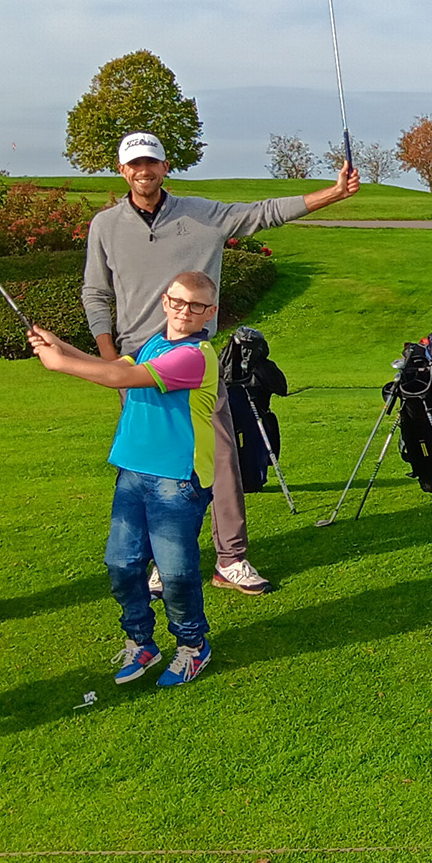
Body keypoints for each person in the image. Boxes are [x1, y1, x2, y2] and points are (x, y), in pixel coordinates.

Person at [81, 132, 358, 595]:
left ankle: (231, 559)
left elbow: (263, 213)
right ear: (122, 169)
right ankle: (157, 559)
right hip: (139, 361)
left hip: (192, 357)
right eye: (134, 164)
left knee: (223, 458)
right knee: (151, 466)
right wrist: (110, 359)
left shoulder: (202, 214)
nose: (143, 171)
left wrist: (333, 192)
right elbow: (96, 291)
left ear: (164, 167)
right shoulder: (105, 226)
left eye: (151, 163)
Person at [31, 271, 223, 686]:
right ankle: (142, 642)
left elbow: (121, 379)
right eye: (177, 301)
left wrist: (59, 364)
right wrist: (59, 344)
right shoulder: (154, 343)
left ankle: (193, 647)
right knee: (122, 564)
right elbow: (114, 366)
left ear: (210, 312)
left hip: (177, 480)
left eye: (196, 306)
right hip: (134, 471)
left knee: (175, 574)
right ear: (165, 301)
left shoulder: (196, 355)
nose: (184, 311)